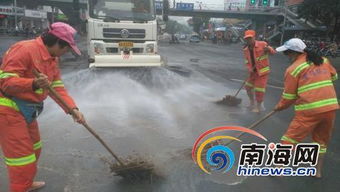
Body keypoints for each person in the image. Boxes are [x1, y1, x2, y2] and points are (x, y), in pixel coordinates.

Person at [0, 22, 86, 192]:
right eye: (67, 48)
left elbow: (57, 88)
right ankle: (20, 187)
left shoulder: (53, 59)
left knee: (34, 149)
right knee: (22, 159)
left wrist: (73, 110)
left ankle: (27, 183)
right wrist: (33, 83)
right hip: (9, 110)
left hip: (28, 110)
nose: (67, 52)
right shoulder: (24, 49)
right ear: (57, 42)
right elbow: (6, 82)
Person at [274, 38, 339, 178]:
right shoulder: (323, 60)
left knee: (290, 138)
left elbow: (289, 97)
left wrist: (278, 107)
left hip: (309, 110)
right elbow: (334, 77)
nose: (287, 56)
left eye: (287, 53)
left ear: (293, 53)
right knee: (321, 141)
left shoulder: (293, 69)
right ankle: (317, 171)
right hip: (329, 107)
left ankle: (279, 167)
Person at [243, 30, 276, 113]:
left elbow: (273, 52)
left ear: (254, 37)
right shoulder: (246, 49)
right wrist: (249, 68)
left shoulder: (263, 44)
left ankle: (259, 106)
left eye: (250, 38)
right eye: (247, 38)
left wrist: (269, 49)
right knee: (247, 87)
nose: (248, 40)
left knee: (259, 89)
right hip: (253, 73)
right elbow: (247, 61)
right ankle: (252, 102)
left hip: (262, 73)